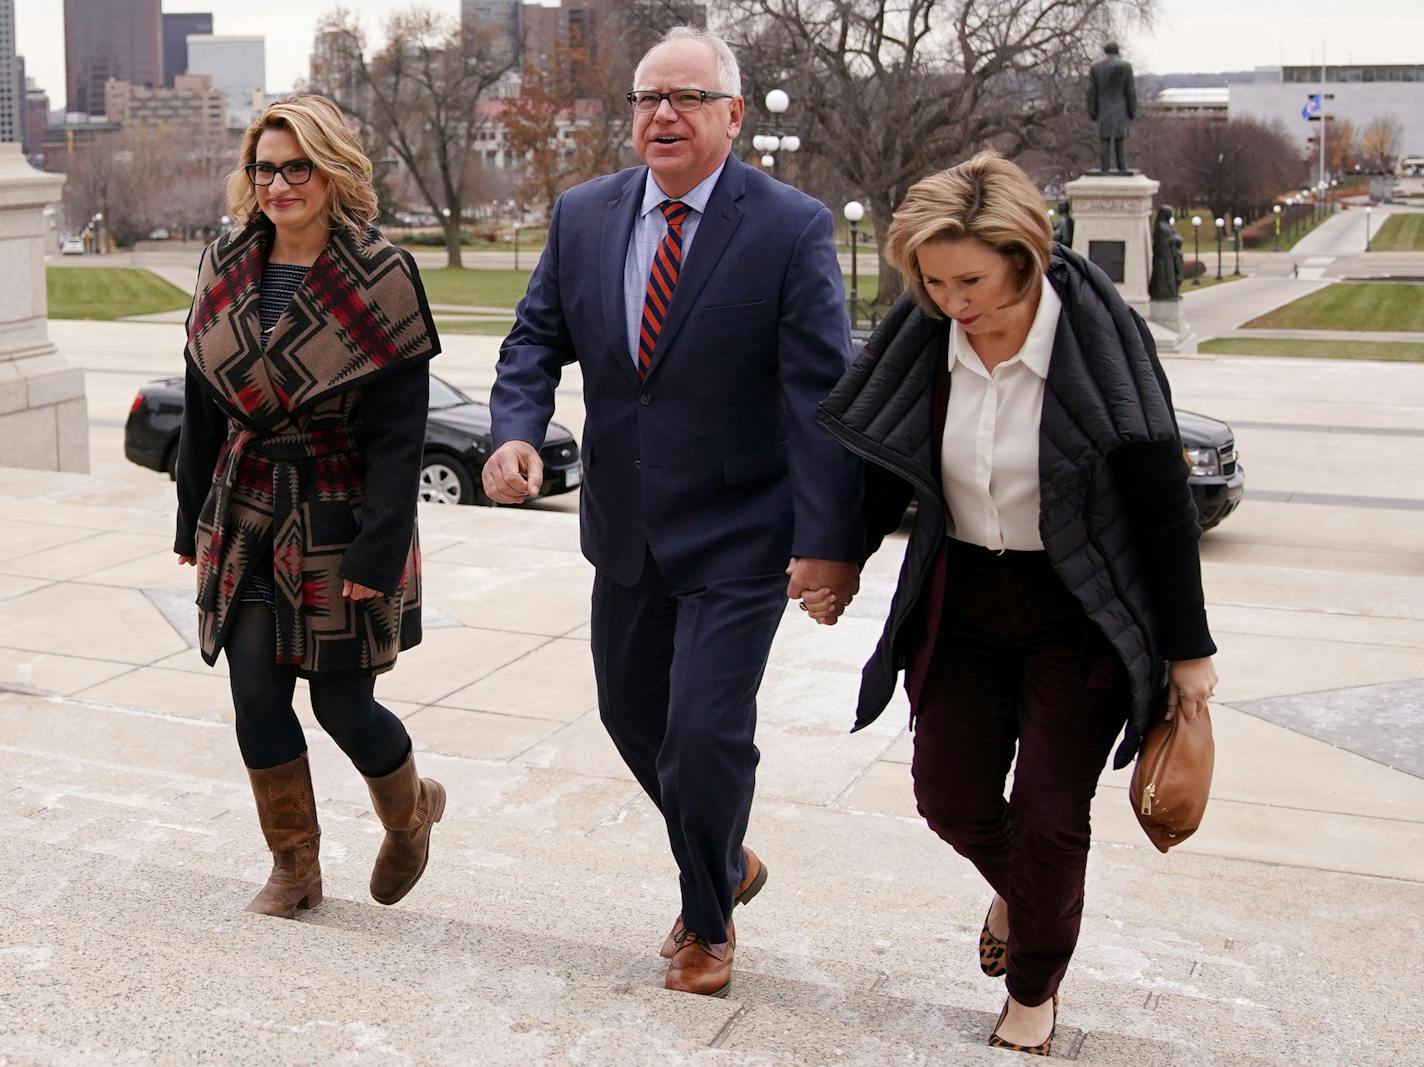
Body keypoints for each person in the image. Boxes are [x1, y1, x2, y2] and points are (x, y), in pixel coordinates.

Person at [482, 26, 863, 997]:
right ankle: (724, 853)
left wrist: (828, 541)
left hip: (741, 532)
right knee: (628, 712)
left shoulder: (788, 227)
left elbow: (822, 398)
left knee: (702, 731)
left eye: (687, 98)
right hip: (625, 525)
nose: (662, 114)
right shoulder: (582, 216)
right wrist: (514, 431)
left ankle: (707, 918)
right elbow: (532, 341)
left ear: (732, 116)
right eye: (649, 97)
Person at [810, 152, 1218, 1055]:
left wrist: (1190, 651)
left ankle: (1034, 988)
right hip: (962, 599)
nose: (951, 300)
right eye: (931, 278)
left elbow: (1161, 503)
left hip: (1078, 610)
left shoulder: (1099, 348)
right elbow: (890, 460)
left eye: (972, 280)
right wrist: (839, 557)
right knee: (948, 796)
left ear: (1025, 260)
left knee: (1047, 812)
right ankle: (1026, 888)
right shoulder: (924, 339)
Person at [174, 95, 446, 920]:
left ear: (331, 172)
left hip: (340, 512)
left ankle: (410, 815)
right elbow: (202, 400)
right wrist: (191, 518)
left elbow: (402, 437)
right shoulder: (225, 261)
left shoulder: (381, 276)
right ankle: (295, 867)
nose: (281, 183)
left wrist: (378, 550)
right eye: (266, 168)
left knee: (342, 704)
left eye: (298, 167)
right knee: (254, 690)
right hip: (247, 505)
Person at [1087, 41, 1137, 173]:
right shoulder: (1126, 66)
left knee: (1104, 138)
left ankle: (1104, 167)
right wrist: (1132, 110)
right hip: (1121, 106)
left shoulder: (1096, 67)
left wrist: (1091, 109)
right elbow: (1130, 90)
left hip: (1103, 108)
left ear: (1105, 51)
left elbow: (1091, 90)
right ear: (1117, 50)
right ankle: (1122, 166)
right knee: (1120, 139)